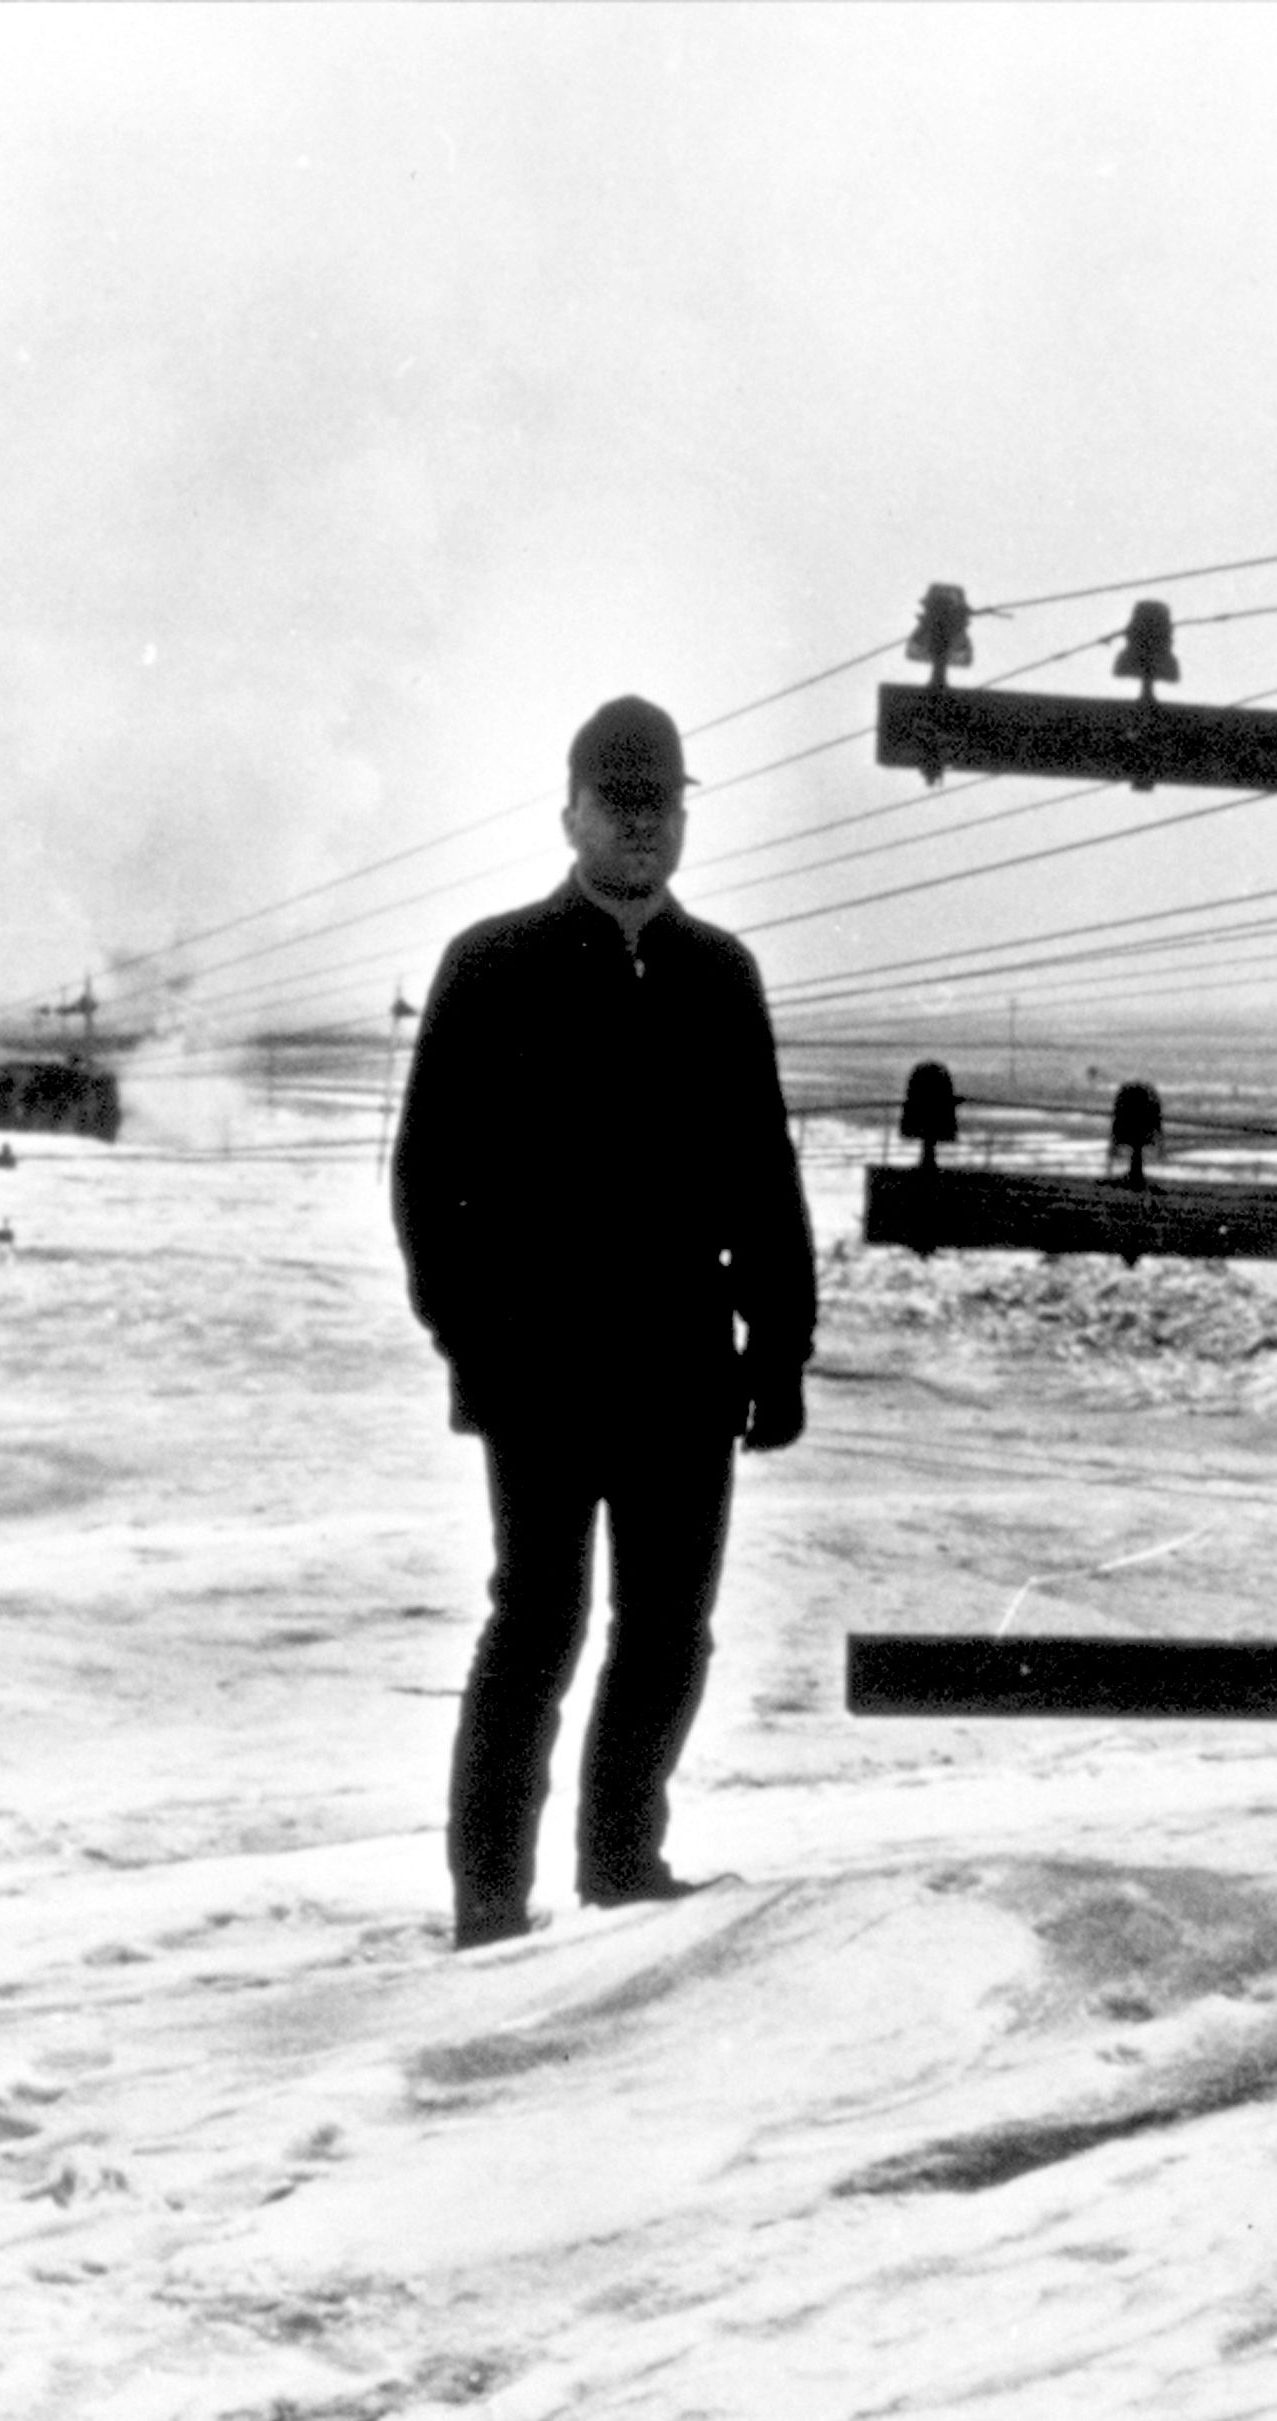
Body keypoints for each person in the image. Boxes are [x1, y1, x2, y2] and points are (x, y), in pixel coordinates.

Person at [391, 695, 815, 1950]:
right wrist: (474, 1341)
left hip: (684, 1369)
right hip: (541, 1370)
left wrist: (776, 1349)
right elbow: (428, 1182)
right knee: (537, 1624)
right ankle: (488, 1900)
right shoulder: (493, 965)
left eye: (663, 805)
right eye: (619, 804)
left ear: (684, 818)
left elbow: (761, 1173)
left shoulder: (719, 975)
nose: (643, 826)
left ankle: (624, 1865)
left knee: (668, 1629)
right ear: (569, 812)